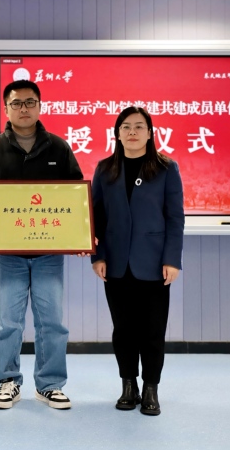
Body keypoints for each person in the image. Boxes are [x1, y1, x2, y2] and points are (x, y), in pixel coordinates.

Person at [0, 80, 83, 410]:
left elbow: (76, 193)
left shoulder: (59, 148)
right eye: (16, 103)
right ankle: (7, 381)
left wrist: (79, 231)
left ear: (40, 106)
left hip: (49, 253)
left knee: (52, 322)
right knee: (9, 322)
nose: (24, 108)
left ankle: (49, 384)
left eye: (30, 102)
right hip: (8, 254)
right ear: (6, 108)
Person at [90, 106, 184, 416]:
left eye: (139, 126)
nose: (132, 132)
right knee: (123, 330)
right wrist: (97, 256)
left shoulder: (167, 168)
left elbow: (175, 217)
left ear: (150, 133)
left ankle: (151, 388)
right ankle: (128, 386)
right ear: (117, 133)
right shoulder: (105, 169)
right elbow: (96, 216)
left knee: (153, 330)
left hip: (154, 263)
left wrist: (172, 259)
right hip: (115, 263)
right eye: (126, 126)